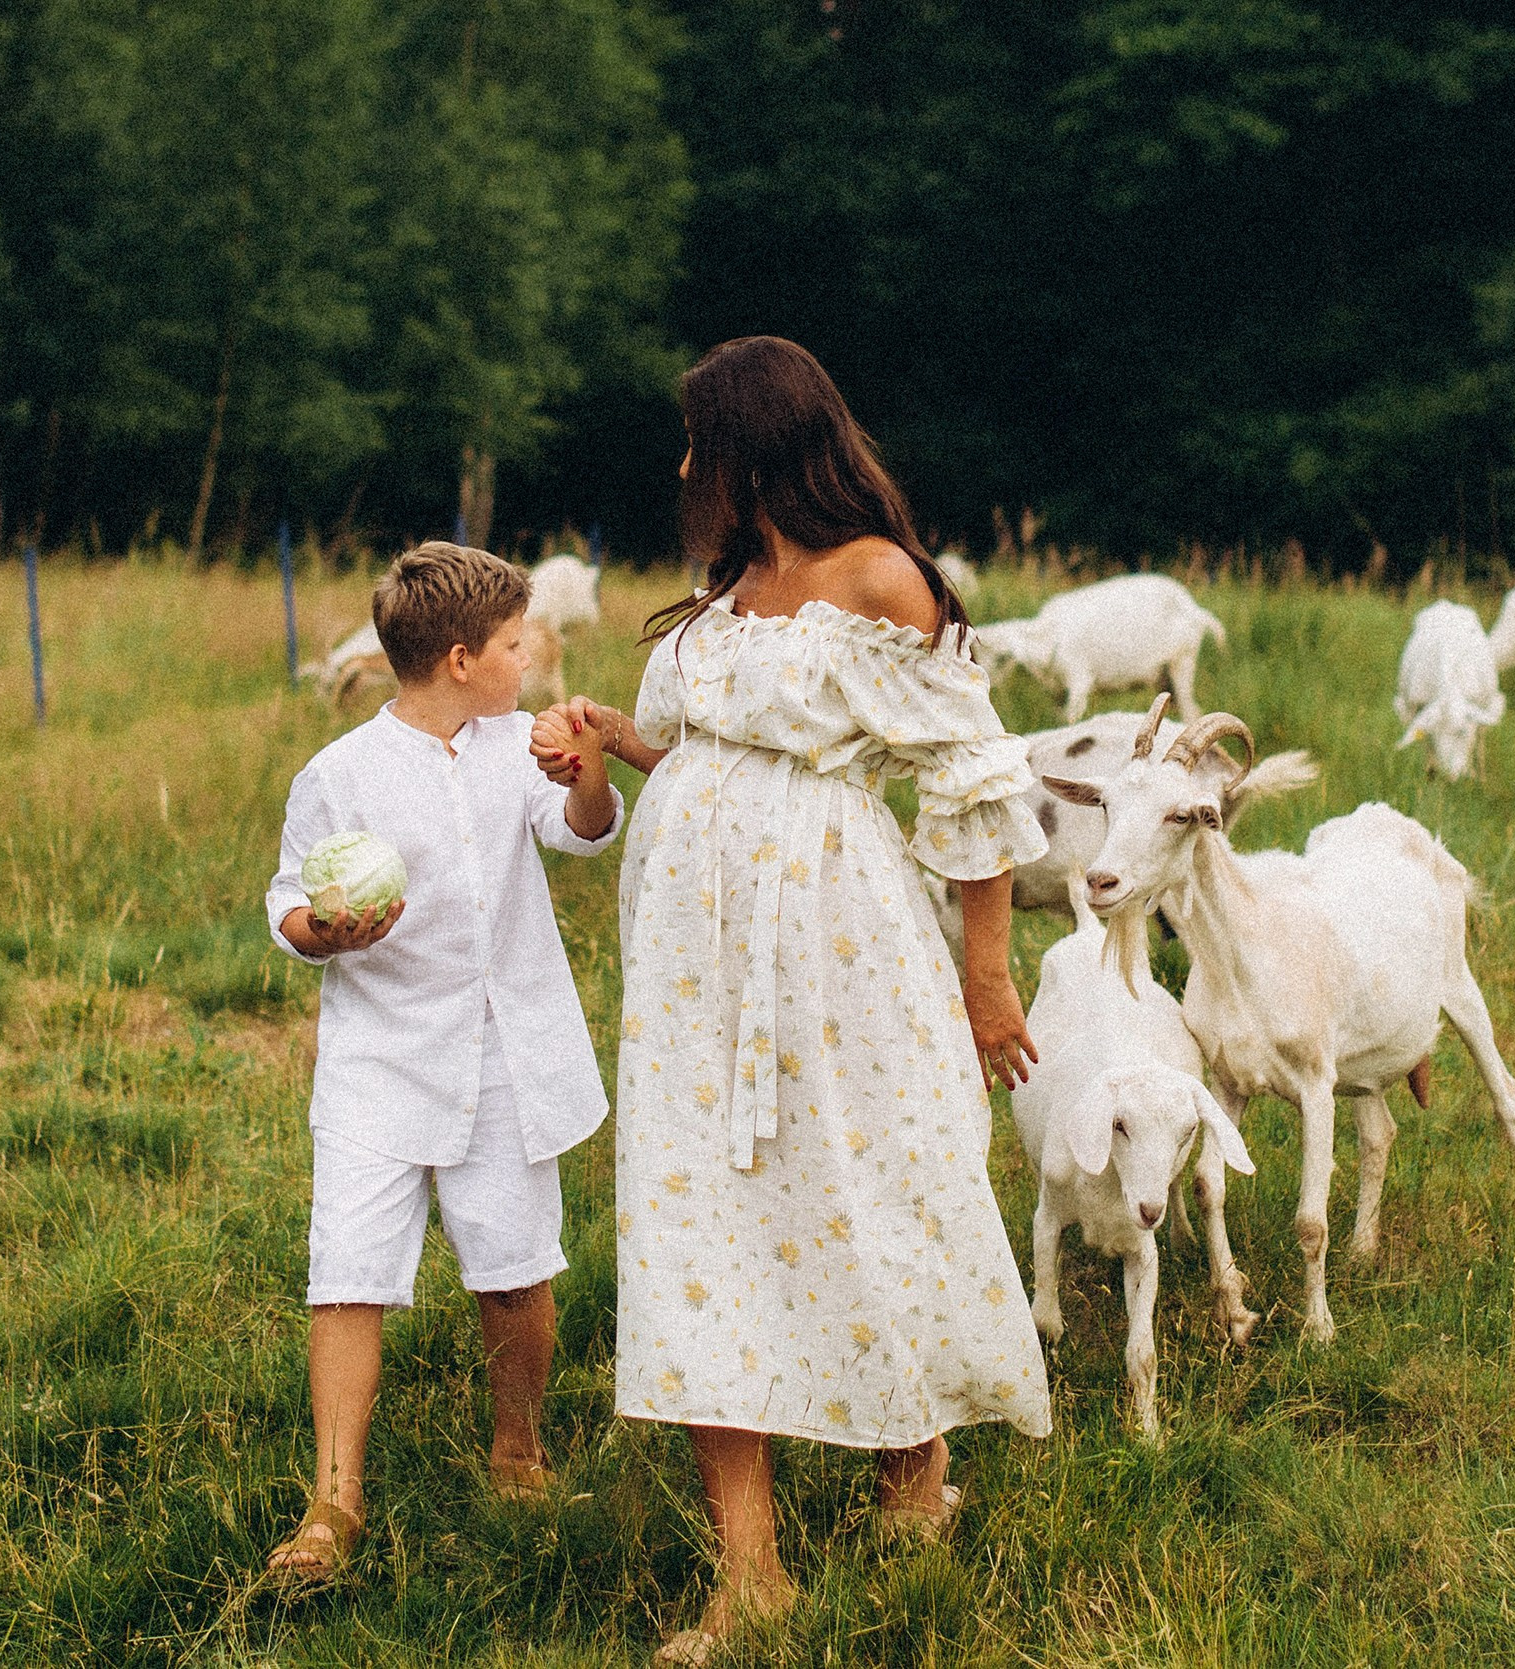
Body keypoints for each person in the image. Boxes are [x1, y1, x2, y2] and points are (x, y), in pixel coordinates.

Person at [531, 336, 1050, 1666]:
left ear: (756, 442)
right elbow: (713, 761)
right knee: (699, 1219)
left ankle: (910, 1477)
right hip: (693, 973)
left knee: (868, 1187)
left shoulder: (878, 580)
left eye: (700, 439)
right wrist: (620, 742)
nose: (688, 465)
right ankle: (748, 1571)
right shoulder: (723, 596)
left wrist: (987, 981)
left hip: (839, 946)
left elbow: (974, 781)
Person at [261, 542, 624, 1580]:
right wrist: (320, 933)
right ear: (461, 657)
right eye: (516, 643)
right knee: (349, 1277)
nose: (531, 655)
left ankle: (519, 1448)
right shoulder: (337, 775)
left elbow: (584, 833)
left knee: (514, 1269)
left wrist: (588, 774)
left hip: (508, 1050)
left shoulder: (523, 746)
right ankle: (334, 1508)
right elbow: (290, 899)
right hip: (381, 1061)